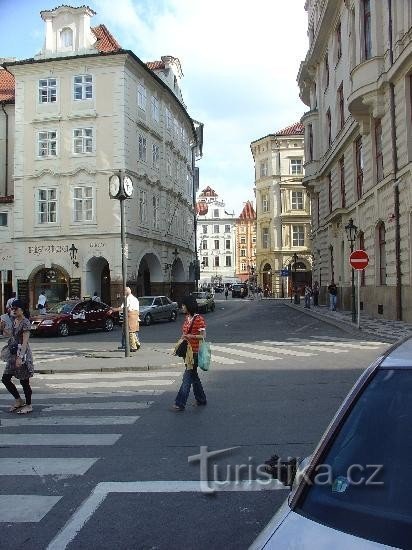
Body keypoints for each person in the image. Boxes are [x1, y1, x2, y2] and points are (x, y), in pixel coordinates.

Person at [172, 295, 207, 411]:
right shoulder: (187, 318)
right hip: (187, 353)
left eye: (183, 305)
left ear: (189, 306)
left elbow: (203, 336)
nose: (182, 307)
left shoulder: (199, 319)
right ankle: (201, 399)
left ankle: (180, 403)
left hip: (195, 353)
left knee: (186, 378)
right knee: (194, 377)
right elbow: (184, 334)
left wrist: (190, 336)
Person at [1, 299, 34, 414]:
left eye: (16, 308)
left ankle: (29, 405)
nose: (13, 310)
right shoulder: (15, 320)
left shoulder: (25, 322)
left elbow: (25, 342)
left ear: (22, 310)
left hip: (22, 354)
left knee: (24, 381)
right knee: (5, 379)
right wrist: (3, 328)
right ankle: (18, 400)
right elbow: (11, 335)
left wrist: (20, 357)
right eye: (12, 308)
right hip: (12, 353)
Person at [112, 287, 140, 351]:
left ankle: (133, 347)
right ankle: (137, 343)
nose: (123, 293)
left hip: (130, 315)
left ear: (126, 291)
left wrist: (114, 309)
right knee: (133, 330)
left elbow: (123, 308)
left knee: (129, 331)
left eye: (124, 291)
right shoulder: (135, 299)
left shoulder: (127, 299)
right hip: (135, 315)